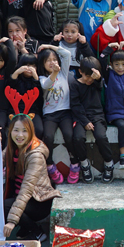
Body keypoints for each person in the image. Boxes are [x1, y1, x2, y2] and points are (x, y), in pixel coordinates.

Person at [0, 114, 62, 242]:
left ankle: (37, 233)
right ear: (10, 131)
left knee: (4, 206)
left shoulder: (35, 155)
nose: (20, 135)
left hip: (39, 200)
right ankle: (26, 226)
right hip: (21, 196)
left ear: (31, 132)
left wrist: (12, 221)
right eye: (16, 130)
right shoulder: (11, 147)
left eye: (24, 131)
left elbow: (26, 189)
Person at [38, 44, 80, 184]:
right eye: (48, 60)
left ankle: (75, 163)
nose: (52, 62)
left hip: (65, 112)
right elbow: (46, 85)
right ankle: (50, 165)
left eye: (54, 59)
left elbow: (67, 54)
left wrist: (49, 46)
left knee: (69, 135)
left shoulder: (63, 73)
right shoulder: (41, 77)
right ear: (43, 64)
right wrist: (54, 73)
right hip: (49, 114)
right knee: (48, 137)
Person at [70, 57, 115, 183]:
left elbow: (100, 85)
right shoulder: (74, 85)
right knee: (78, 137)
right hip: (80, 117)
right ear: (80, 72)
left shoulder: (96, 82)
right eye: (87, 76)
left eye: (92, 76)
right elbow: (75, 106)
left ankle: (109, 163)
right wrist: (85, 122)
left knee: (101, 137)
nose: (90, 79)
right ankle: (84, 163)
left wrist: (98, 78)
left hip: (97, 115)